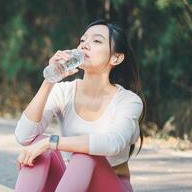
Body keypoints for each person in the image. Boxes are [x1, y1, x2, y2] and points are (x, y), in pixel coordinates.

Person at [14, 19, 146, 192]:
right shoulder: (64, 91)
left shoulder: (129, 101)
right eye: (82, 40)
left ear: (116, 57)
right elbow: (24, 136)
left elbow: (112, 143)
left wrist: (51, 142)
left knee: (84, 154)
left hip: (110, 186)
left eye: (96, 41)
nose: (84, 46)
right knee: (38, 144)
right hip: (74, 185)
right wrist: (49, 80)